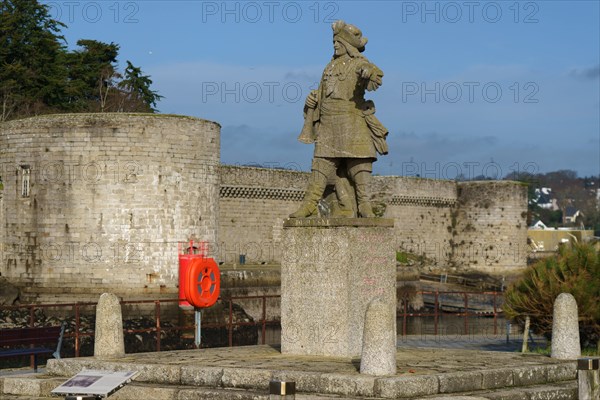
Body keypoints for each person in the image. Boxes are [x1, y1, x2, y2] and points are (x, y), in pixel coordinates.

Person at [290, 20, 388, 218]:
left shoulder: (359, 63)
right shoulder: (328, 67)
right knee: (319, 166)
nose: (335, 45)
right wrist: (312, 100)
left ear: (348, 45)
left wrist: (368, 74)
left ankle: (364, 205)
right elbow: (322, 93)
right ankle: (309, 204)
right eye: (334, 42)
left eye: (339, 42)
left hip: (352, 120)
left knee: (359, 166)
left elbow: (375, 75)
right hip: (328, 123)